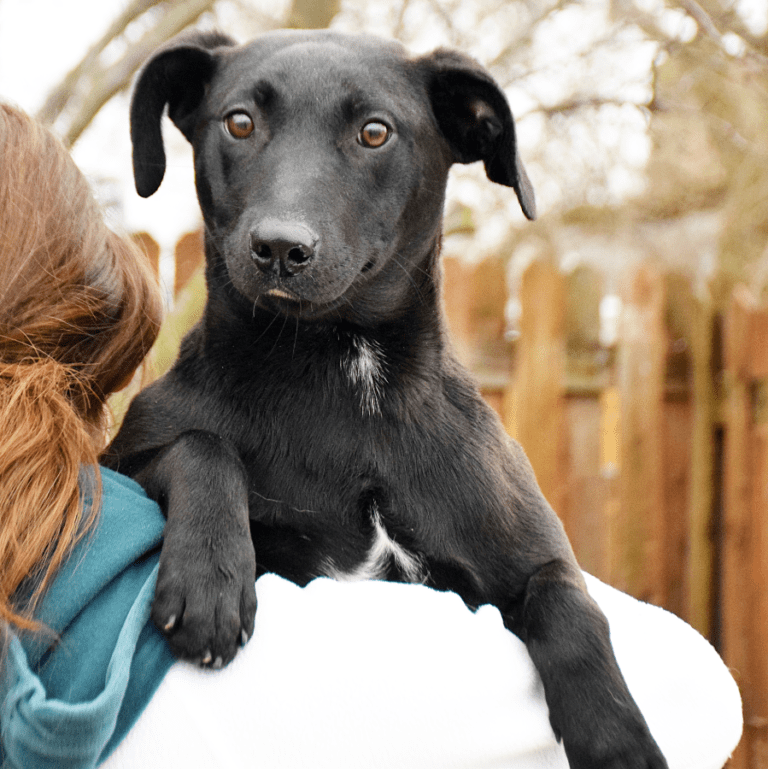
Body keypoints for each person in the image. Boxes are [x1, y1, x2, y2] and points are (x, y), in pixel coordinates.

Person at [0, 102, 743, 769]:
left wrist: (546, 587)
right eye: (241, 129)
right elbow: (692, 694)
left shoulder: (80, 534)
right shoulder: (245, 649)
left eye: (371, 135)